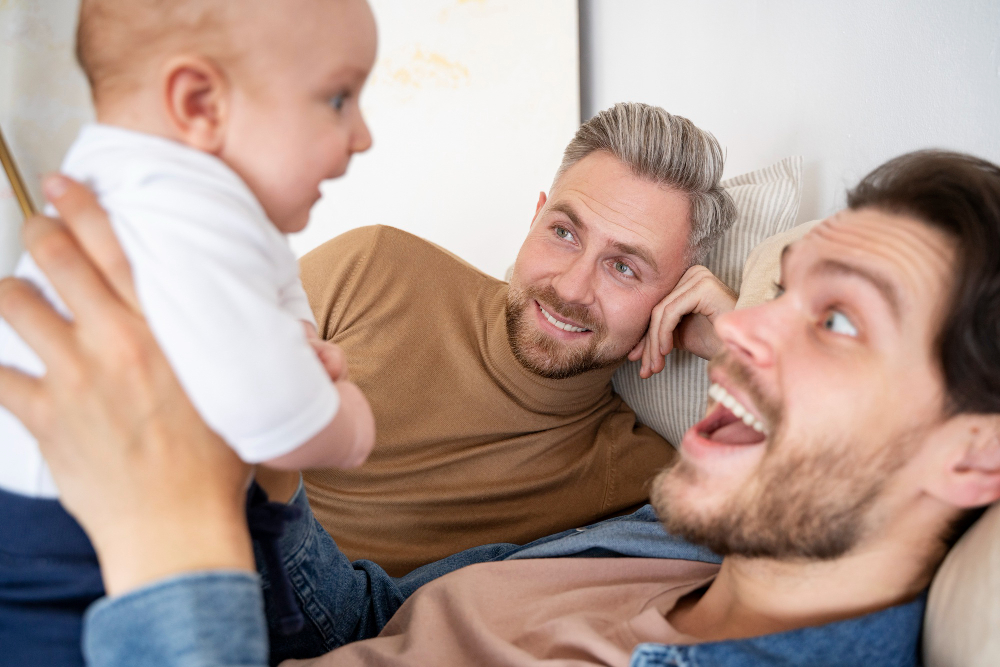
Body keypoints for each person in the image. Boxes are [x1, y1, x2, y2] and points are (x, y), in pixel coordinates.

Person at [5, 150, 999, 666]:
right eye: (775, 290)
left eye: (836, 321)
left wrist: (167, 521)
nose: (743, 329)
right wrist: (266, 475)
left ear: (973, 457)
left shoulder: (623, 468)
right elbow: (373, 622)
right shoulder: (662, 532)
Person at [0, 0, 378, 663]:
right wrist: (348, 422)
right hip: (62, 552)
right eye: (339, 98)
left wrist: (290, 339)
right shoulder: (188, 210)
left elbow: (278, 291)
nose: (364, 134)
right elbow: (276, 414)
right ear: (200, 101)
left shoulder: (143, 187)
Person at [296, 101, 740, 575]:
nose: (570, 287)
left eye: (623, 267)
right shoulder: (372, 269)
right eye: (565, 233)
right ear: (535, 219)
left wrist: (739, 335)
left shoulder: (633, 477)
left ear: (671, 301)